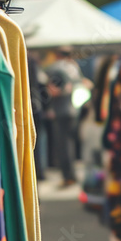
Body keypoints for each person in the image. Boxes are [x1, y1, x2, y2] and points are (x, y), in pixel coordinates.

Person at [45, 46, 84, 187]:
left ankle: (68, 176)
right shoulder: (74, 68)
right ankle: (71, 175)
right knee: (70, 143)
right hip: (74, 109)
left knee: (63, 145)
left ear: (57, 55)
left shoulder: (56, 68)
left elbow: (54, 90)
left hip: (61, 110)